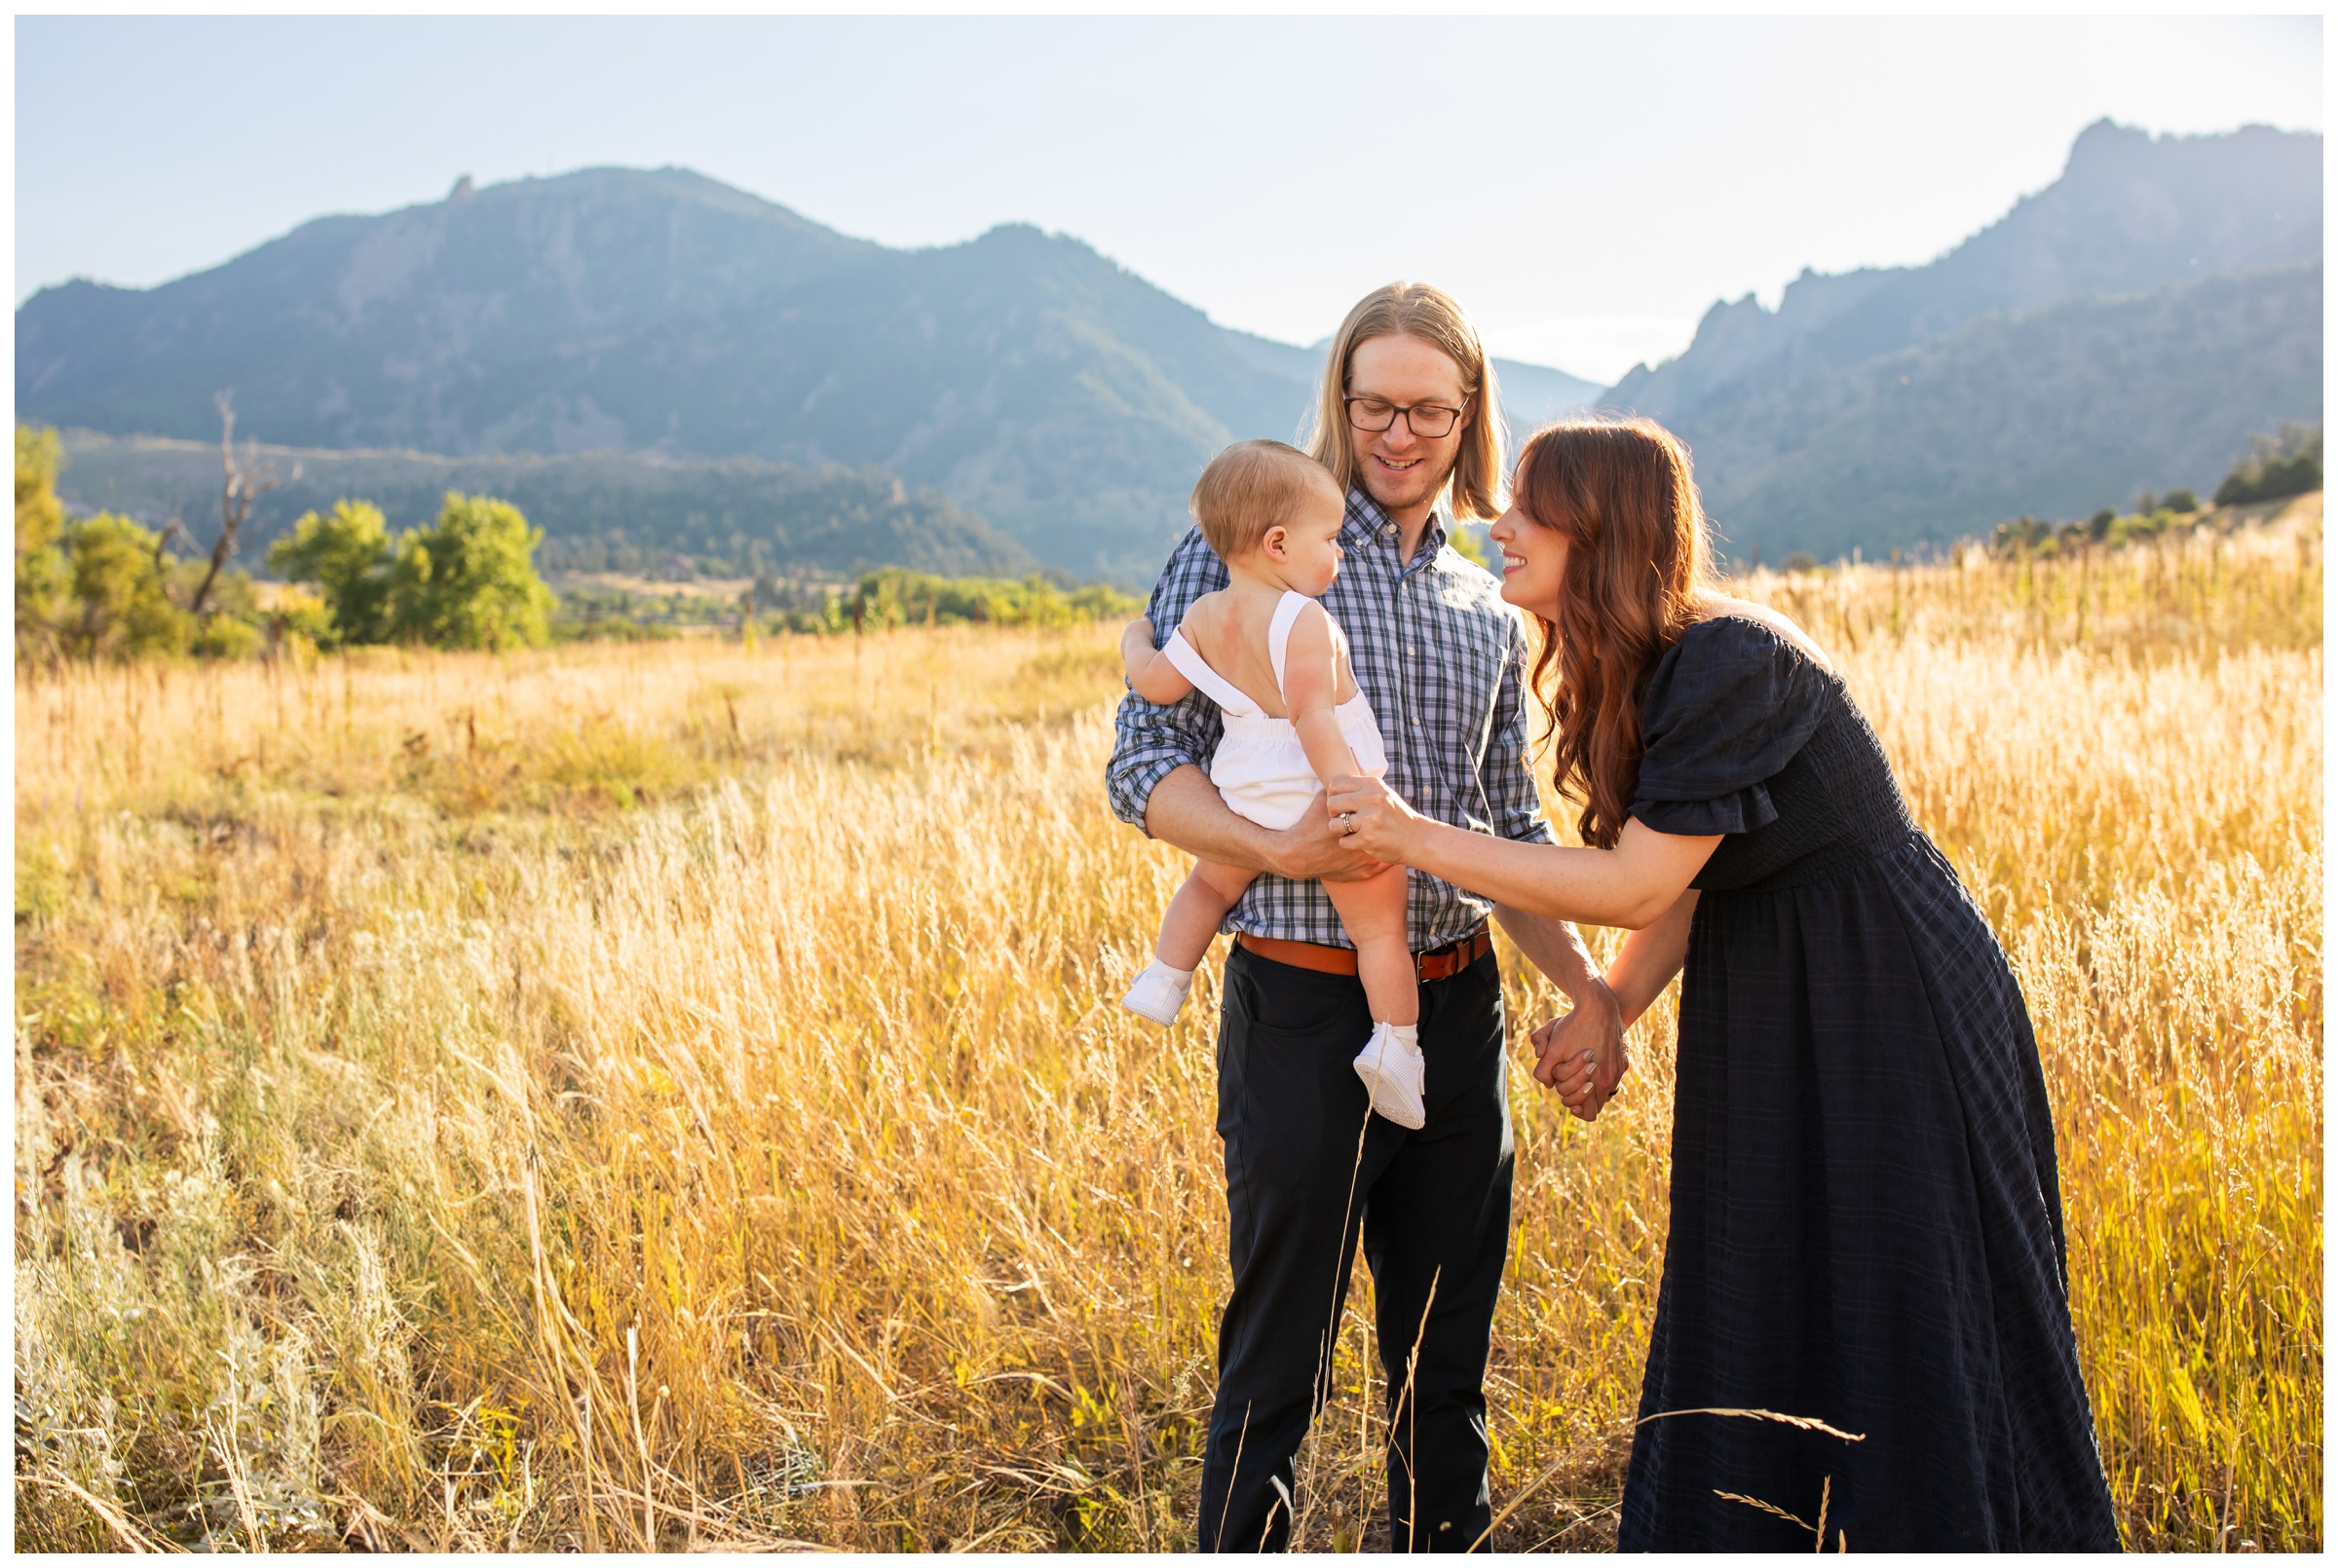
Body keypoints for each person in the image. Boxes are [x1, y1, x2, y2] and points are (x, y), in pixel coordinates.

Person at [1325, 418, 2123, 1550]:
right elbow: (1693, 878)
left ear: (1601, 530)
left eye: (1529, 508)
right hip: (1778, 987)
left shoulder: (1731, 654)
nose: (1495, 523)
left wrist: (1414, 835)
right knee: (1767, 1273)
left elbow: (1639, 881)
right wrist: (1609, 1004)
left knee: (1903, 1281)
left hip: (1881, 998)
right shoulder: (1655, 662)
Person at [1106, 281, 1625, 1553]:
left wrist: (1592, 987)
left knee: (1443, 1373)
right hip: (1299, 1004)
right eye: (1374, 403)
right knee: (1276, 1369)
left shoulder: (1480, 602)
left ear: (1469, 416)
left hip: (1458, 1008)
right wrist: (1272, 843)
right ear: (1340, 399)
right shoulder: (1249, 552)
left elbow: (1506, 828)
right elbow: (1141, 764)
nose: (1398, 432)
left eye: (1429, 410)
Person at [1117, 439, 1425, 1128]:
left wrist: (1135, 638)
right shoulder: (1305, 619)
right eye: (1332, 540)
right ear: (1280, 543)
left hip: (1245, 790)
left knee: (1207, 884)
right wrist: (1348, 798)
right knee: (1380, 932)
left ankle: (1166, 977)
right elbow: (1315, 720)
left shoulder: (1200, 616)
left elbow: (1155, 684)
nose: (1339, 554)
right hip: (1320, 789)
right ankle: (1396, 1047)